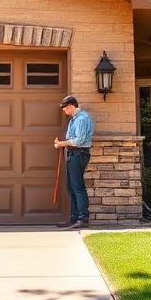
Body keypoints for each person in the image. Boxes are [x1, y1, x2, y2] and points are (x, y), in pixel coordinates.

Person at [53, 95, 93, 229]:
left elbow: (79, 140)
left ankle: (83, 218)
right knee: (71, 187)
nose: (64, 112)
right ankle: (74, 218)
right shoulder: (73, 119)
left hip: (79, 154)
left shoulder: (82, 118)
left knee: (78, 187)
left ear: (70, 106)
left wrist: (61, 144)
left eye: (65, 109)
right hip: (73, 155)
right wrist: (62, 143)